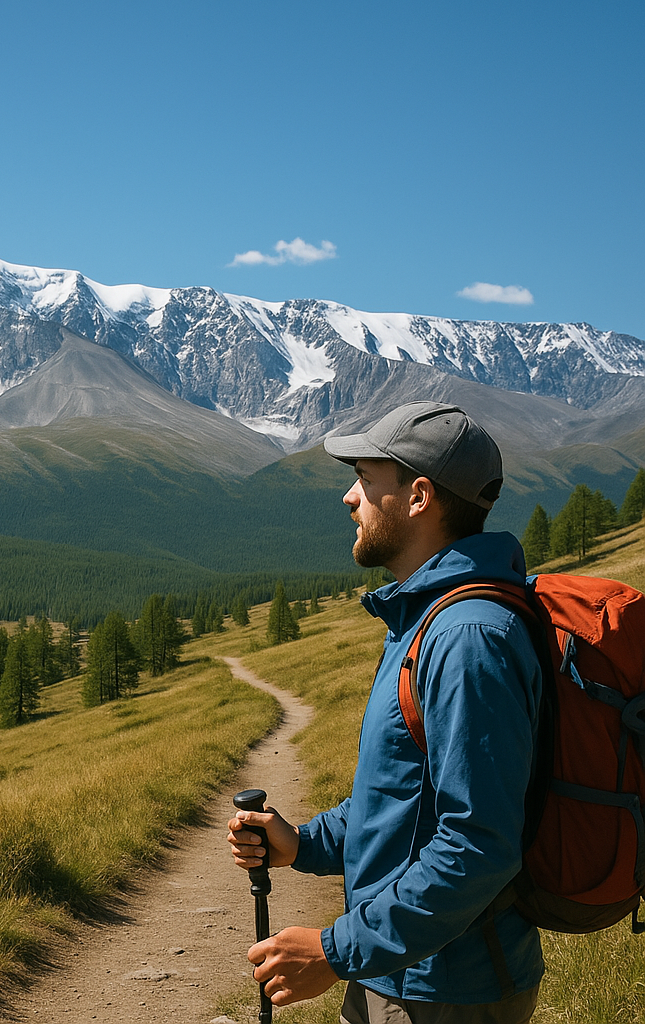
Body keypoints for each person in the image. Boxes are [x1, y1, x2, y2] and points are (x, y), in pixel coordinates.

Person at [227, 402, 543, 1024]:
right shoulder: (425, 620)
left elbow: (478, 845)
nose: (350, 497)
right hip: (402, 971)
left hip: (447, 987)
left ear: (419, 496)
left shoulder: (468, 637)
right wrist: (306, 842)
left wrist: (335, 950)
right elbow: (402, 801)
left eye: (367, 480)